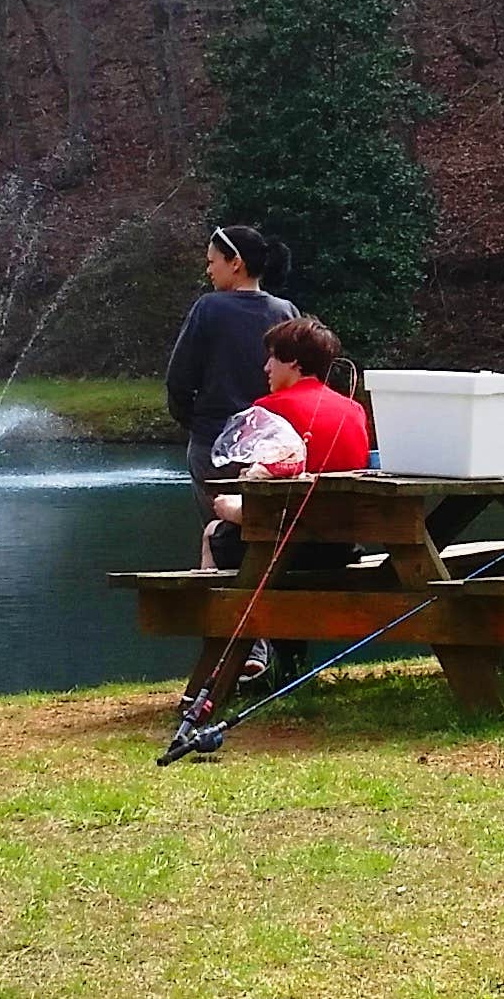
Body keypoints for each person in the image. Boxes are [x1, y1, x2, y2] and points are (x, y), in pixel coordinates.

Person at [184, 315, 376, 714]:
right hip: (341, 548)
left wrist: (228, 508)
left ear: (295, 363)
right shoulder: (354, 411)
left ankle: (222, 665)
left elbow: (259, 502)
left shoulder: (268, 411)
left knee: (219, 535)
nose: (266, 368)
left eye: (273, 358)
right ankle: (284, 671)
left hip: (286, 547)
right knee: (259, 541)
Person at [165, 224, 300, 506]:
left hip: (213, 444)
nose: (208, 270)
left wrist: (197, 424)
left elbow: (178, 380)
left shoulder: (209, 307)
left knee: (218, 536)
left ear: (235, 263)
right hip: (272, 450)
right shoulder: (286, 312)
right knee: (263, 535)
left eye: (212, 261)